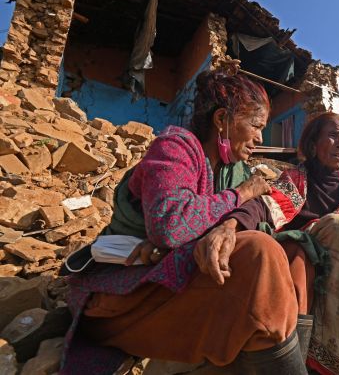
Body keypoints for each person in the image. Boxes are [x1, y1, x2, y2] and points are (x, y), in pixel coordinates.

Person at [61, 72, 312, 375]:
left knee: (296, 255)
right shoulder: (175, 148)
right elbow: (171, 226)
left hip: (175, 285)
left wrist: (228, 226)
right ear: (222, 119)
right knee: (260, 254)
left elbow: (256, 222)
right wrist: (240, 195)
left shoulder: (231, 171)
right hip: (126, 297)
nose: (260, 137)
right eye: (256, 126)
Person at [222, 112, 339, 374]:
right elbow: (267, 206)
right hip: (312, 249)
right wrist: (232, 225)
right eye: (332, 135)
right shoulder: (297, 178)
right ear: (314, 144)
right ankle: (323, 351)